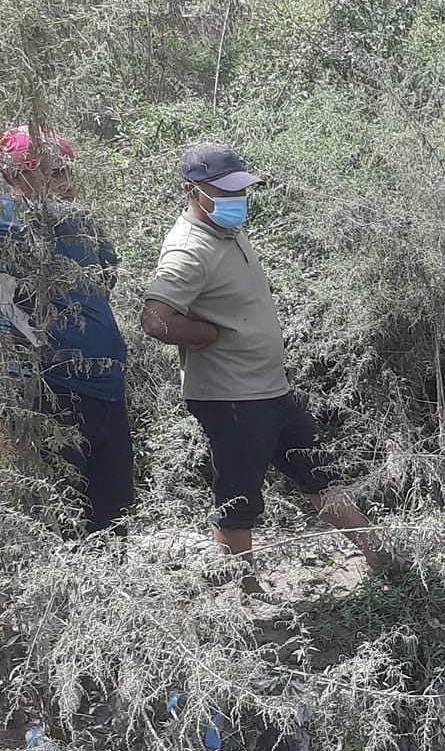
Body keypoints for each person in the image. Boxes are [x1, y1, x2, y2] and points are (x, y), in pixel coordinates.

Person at [138, 142, 382, 574]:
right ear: (195, 191)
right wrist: (209, 333)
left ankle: (383, 556)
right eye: (225, 192)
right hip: (231, 397)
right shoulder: (187, 248)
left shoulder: (227, 231)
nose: (236, 200)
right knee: (238, 498)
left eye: (240, 191)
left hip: (270, 388)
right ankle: (246, 597)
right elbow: (156, 320)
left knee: (319, 474)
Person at [0, 128, 134, 533]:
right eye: (55, 173)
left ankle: (114, 590)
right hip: (44, 390)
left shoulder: (84, 224)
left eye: (69, 171)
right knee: (59, 514)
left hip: (106, 385)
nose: (67, 183)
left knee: (114, 513)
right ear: (16, 178)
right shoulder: (7, 224)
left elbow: (105, 278)